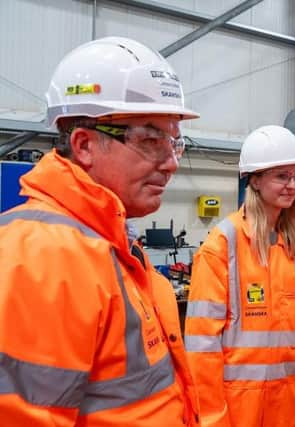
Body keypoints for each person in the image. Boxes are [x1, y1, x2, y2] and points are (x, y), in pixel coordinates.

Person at [0, 37, 201, 426]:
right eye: (149, 140)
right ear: (85, 144)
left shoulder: (115, 247)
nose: (171, 163)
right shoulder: (42, 256)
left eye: (174, 142)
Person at [184, 125, 295, 427]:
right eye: (282, 176)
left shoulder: (290, 248)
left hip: (286, 411)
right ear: (254, 180)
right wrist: (213, 421)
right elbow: (202, 350)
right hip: (238, 413)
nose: (292, 185)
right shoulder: (223, 246)